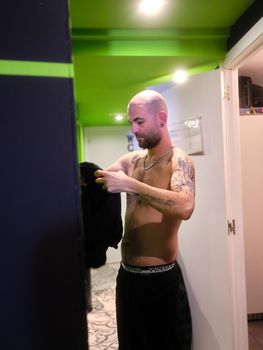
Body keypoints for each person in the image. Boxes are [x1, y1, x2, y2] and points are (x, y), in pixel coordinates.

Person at [95, 90, 195, 350]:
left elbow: (185, 206)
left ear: (161, 118)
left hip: (160, 282)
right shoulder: (133, 161)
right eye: (131, 122)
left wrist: (131, 185)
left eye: (139, 121)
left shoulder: (179, 161)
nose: (133, 129)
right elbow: (99, 177)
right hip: (127, 279)